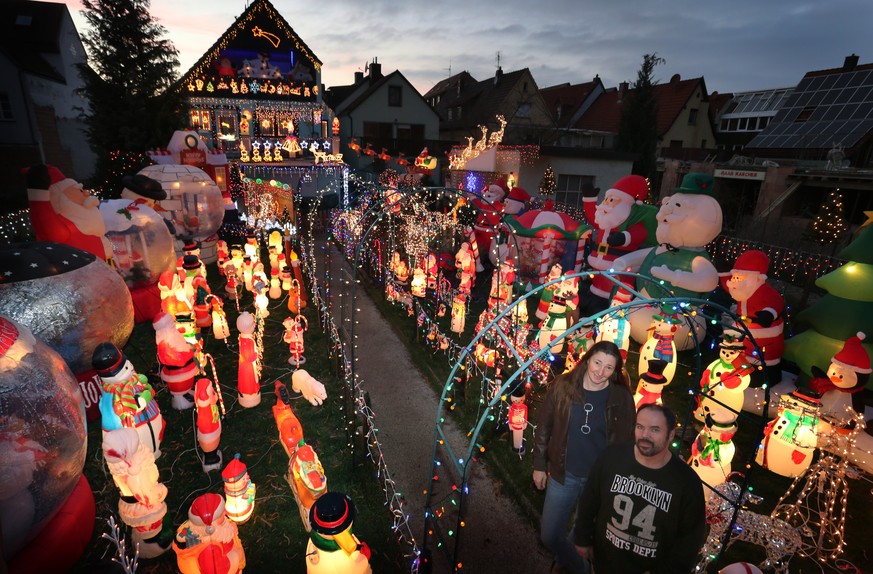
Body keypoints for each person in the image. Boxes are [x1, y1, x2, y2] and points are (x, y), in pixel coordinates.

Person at [533, 341, 635, 573]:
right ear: (587, 359)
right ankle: (579, 567)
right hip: (563, 473)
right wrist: (539, 464)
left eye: (609, 367)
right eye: (597, 363)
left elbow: (628, 438)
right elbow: (544, 427)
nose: (601, 372)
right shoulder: (563, 385)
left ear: (615, 370)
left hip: (597, 480)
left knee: (580, 531)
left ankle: (564, 561)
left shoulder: (621, 396)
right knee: (549, 534)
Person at [574, 404, 706, 574]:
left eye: (655, 430)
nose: (645, 435)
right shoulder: (611, 457)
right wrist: (582, 538)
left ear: (671, 434)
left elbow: (688, 542)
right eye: (640, 427)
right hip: (601, 564)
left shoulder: (687, 483)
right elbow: (589, 500)